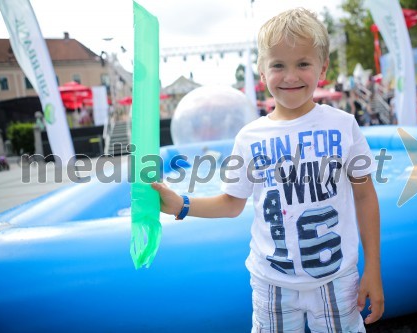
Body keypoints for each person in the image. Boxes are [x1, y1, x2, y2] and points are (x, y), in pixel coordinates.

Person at [151, 8, 384, 332]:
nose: (290, 76)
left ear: (323, 66)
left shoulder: (342, 125)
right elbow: (232, 204)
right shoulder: (249, 137)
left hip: (336, 278)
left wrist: (373, 265)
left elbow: (364, 195)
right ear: (262, 71)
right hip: (272, 282)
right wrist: (182, 205)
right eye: (278, 65)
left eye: (303, 63)